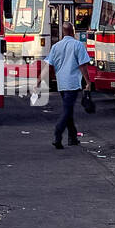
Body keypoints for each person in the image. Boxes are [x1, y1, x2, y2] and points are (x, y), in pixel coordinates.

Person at [44, 21, 91, 149]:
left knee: (68, 110)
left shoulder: (56, 46)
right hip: (72, 83)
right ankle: (57, 134)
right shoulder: (78, 45)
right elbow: (82, 65)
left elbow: (48, 65)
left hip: (61, 83)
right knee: (67, 111)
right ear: (73, 31)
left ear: (63, 32)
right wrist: (88, 81)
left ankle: (73, 137)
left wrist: (39, 80)